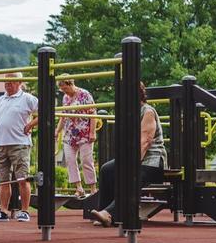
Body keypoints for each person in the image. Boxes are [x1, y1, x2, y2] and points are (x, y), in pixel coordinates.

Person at [89, 82, 167, 227]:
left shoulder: (147, 111)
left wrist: (131, 164)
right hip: (134, 159)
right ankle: (104, 212)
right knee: (107, 169)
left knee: (131, 176)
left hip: (152, 162)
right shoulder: (130, 113)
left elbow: (145, 142)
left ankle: (109, 213)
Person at [0, 74, 37, 222]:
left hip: (20, 143)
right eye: (6, 82)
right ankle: (3, 211)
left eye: (11, 82)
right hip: (2, 144)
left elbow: (44, 112)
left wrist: (30, 124)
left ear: (19, 82)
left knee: (22, 178)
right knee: (3, 181)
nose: (7, 84)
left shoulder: (27, 98)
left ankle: (25, 210)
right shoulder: (1, 100)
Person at [56, 78, 97, 198]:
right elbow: (63, 115)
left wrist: (92, 132)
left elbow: (93, 113)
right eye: (62, 89)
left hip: (84, 132)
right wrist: (57, 130)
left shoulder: (84, 94)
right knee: (70, 160)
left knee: (86, 160)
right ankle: (79, 188)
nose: (65, 92)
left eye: (66, 88)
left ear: (71, 84)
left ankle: (93, 189)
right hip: (69, 134)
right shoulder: (65, 98)